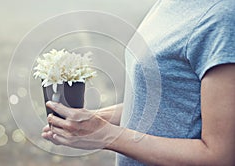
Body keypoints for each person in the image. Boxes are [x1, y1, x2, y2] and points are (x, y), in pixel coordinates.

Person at [42, 0, 235, 165]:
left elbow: (220, 156)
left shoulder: (223, 18)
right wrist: (89, 121)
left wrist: (105, 134)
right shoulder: (169, 4)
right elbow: (171, 102)